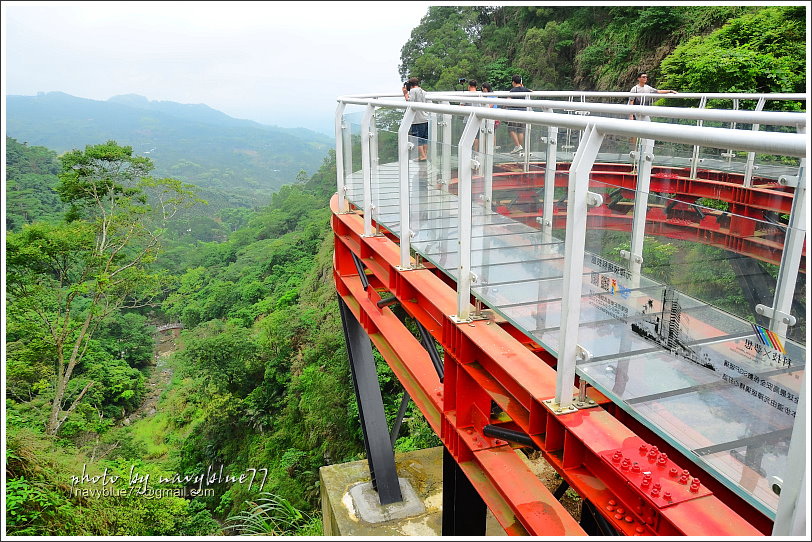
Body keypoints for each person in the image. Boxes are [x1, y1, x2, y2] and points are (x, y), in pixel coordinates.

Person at [506, 75, 530, 154]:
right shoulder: (525, 90)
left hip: (514, 112)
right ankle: (519, 148)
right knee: (520, 131)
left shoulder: (513, 90)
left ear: (513, 82)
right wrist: (523, 87)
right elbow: (532, 92)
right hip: (523, 112)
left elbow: (508, 101)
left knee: (511, 129)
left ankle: (517, 146)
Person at [407, 77, 429, 161]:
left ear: (410, 85)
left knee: (417, 139)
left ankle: (423, 156)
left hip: (417, 119)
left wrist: (406, 94)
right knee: (424, 138)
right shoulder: (423, 91)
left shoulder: (413, 91)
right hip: (425, 117)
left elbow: (410, 103)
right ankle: (424, 155)